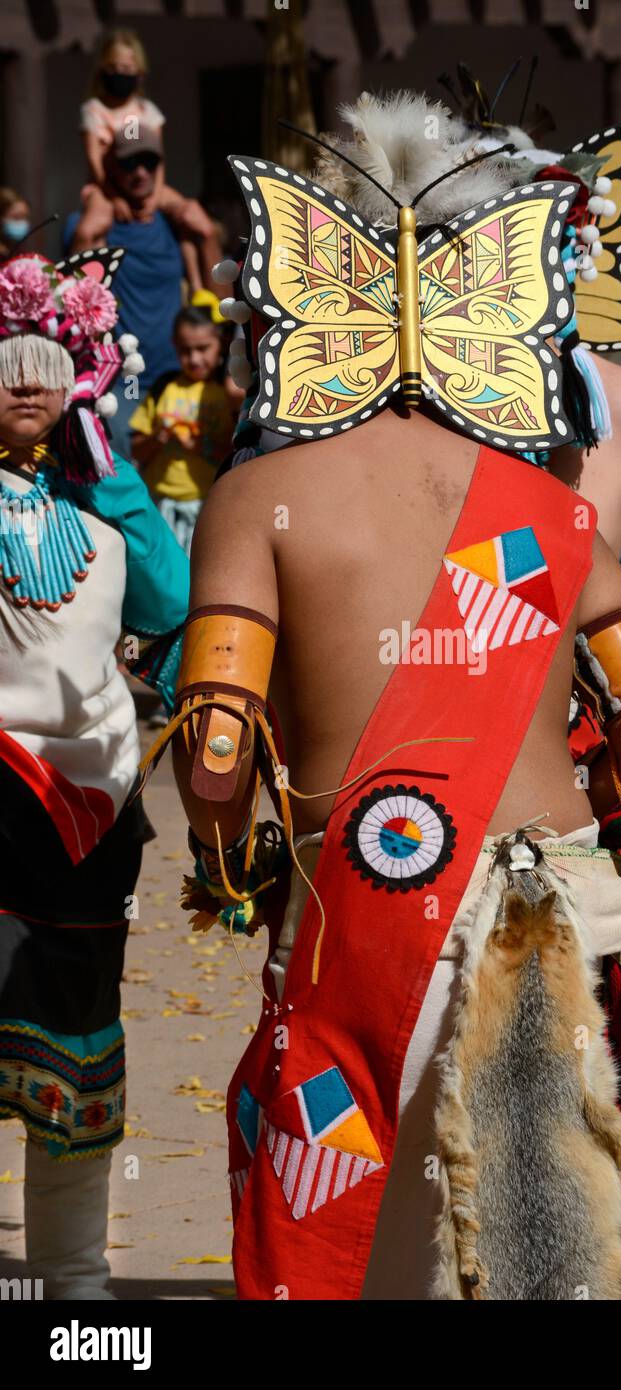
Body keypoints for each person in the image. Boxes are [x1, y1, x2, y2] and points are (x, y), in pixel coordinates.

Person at [140, 91, 621, 1302]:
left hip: (375, 938)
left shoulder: (255, 495)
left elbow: (214, 757)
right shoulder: (549, 504)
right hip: (581, 926)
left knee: (370, 1273)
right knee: (567, 1264)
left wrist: (235, 875)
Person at [0, 251, 188, 1298]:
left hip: (88, 820)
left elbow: (172, 600)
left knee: (74, 1053)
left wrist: (103, 453)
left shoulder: (104, 513)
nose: (27, 379)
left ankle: (71, 1284)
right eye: (7, 361)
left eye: (49, 363)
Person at [66, 129, 220, 460]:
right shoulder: (96, 224)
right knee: (118, 457)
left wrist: (206, 235)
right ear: (112, 168)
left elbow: (220, 301)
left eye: (148, 162)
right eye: (129, 163)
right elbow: (72, 298)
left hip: (179, 372)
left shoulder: (173, 221)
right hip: (125, 381)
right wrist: (86, 232)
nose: (140, 172)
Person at [77, 28, 212, 292]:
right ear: (103, 70)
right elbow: (95, 160)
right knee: (88, 230)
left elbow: (157, 160)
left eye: (127, 67)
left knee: (193, 217)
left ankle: (205, 293)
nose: (121, 73)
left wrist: (156, 194)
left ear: (139, 72)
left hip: (148, 184)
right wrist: (114, 196)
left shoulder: (147, 111)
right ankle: (88, 298)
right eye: (114, 67)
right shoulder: (94, 110)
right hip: (106, 186)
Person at [130, 302, 235, 556]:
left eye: (203, 349)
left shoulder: (228, 393)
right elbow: (136, 450)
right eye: (185, 350)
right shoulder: (164, 387)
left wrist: (200, 446)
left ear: (220, 343)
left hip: (206, 504)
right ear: (174, 346)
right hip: (161, 503)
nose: (194, 358)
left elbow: (234, 457)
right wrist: (158, 438)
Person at [0, 188, 32, 260]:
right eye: (16, 217)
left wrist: (52, 268)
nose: (22, 222)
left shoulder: (19, 252)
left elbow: (42, 268)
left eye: (25, 217)